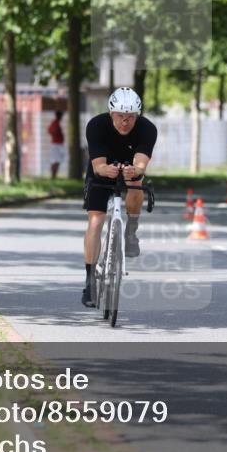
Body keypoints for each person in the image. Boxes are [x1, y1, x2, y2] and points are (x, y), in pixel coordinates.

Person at [81, 87, 157, 307]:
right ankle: (89, 282)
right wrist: (106, 170)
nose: (125, 122)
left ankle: (131, 230)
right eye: (120, 117)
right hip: (103, 169)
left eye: (131, 117)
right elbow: (98, 166)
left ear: (137, 116)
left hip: (130, 169)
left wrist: (136, 170)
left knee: (136, 182)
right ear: (111, 114)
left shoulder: (147, 129)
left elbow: (141, 164)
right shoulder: (96, 125)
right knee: (96, 220)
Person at [47, 110, 65, 180]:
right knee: (56, 160)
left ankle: (54, 176)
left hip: (57, 144)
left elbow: (50, 130)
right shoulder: (55, 123)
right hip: (56, 144)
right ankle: (53, 176)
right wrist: (55, 134)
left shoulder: (56, 123)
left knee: (57, 160)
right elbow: (51, 131)